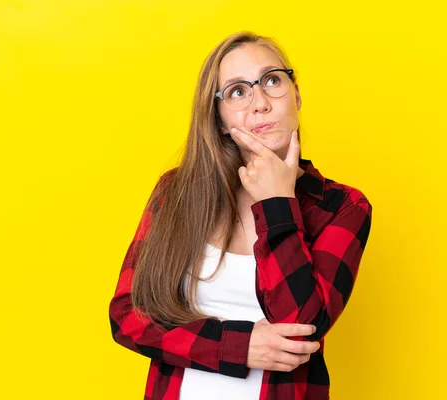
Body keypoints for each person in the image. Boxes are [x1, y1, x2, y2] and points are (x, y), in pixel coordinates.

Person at [109, 31, 373, 400]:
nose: (260, 102)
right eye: (237, 91)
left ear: (295, 94)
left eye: (272, 81)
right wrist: (240, 346)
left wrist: (277, 202)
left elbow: (302, 324)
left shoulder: (341, 206)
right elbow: (128, 315)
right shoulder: (178, 192)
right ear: (218, 119)